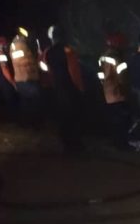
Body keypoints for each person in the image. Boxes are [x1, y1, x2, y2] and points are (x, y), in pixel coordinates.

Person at [40, 25, 85, 153]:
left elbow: (46, 71)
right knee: (73, 117)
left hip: (57, 88)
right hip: (70, 88)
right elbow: (74, 71)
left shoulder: (47, 52)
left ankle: (67, 145)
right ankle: (76, 145)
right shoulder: (67, 50)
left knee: (62, 117)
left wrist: (49, 86)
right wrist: (80, 88)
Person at [97, 32, 131, 149]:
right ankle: (123, 144)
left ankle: (116, 142)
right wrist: (126, 90)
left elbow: (101, 75)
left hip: (108, 94)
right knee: (122, 121)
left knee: (113, 121)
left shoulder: (102, 57)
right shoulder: (117, 58)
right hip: (118, 94)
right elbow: (122, 77)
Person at [9, 28, 44, 126]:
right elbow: (27, 61)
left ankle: (28, 123)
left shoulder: (13, 46)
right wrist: (36, 62)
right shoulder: (22, 45)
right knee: (35, 100)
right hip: (28, 77)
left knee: (25, 102)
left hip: (20, 78)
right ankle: (36, 124)